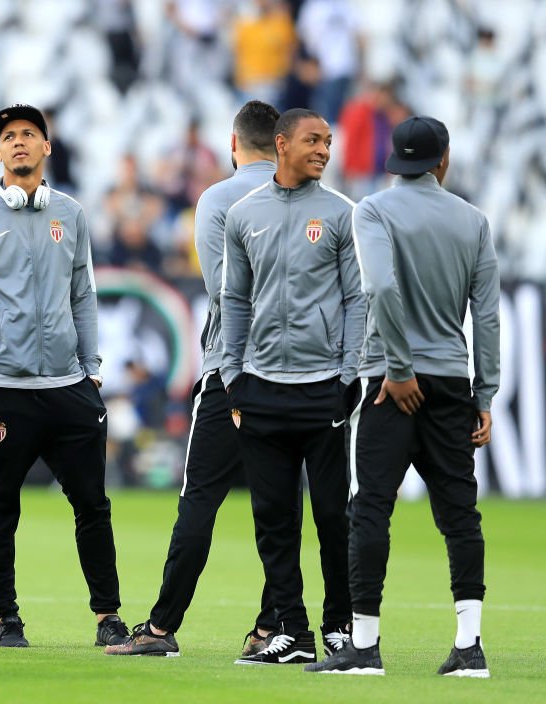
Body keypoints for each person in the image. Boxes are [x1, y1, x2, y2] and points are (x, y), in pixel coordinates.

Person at [306, 116, 499, 677]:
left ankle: (364, 646)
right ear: (443, 160)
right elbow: (486, 316)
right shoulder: (473, 221)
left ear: (396, 160)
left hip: (390, 384)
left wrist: (398, 366)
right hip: (452, 382)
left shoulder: (373, 210)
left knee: (371, 508)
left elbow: (380, 286)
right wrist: (485, 394)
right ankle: (469, 646)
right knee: (460, 514)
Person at [106, 100, 296, 659]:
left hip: (230, 372)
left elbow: (223, 290)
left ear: (233, 144)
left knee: (199, 501)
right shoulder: (308, 197)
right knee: (281, 507)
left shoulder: (216, 198)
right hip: (294, 374)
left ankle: (162, 628)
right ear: (281, 143)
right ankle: (274, 628)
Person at [0, 104, 129, 649]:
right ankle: (6, 616)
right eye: (9, 136)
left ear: (47, 146)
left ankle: (108, 617)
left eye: (29, 133)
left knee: (93, 505)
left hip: (68, 387)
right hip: (3, 388)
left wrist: (91, 371)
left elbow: (84, 296)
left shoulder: (70, 214)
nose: (19, 142)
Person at [222, 108, 364, 665]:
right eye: (313, 140)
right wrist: (233, 376)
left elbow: (357, 300)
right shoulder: (243, 215)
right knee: (273, 521)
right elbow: (234, 299)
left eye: (328, 141)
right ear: (281, 144)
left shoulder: (342, 213)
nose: (324, 150)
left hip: (322, 387)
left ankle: (338, 627)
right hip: (259, 387)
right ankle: (293, 632)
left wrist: (348, 376)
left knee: (332, 517)